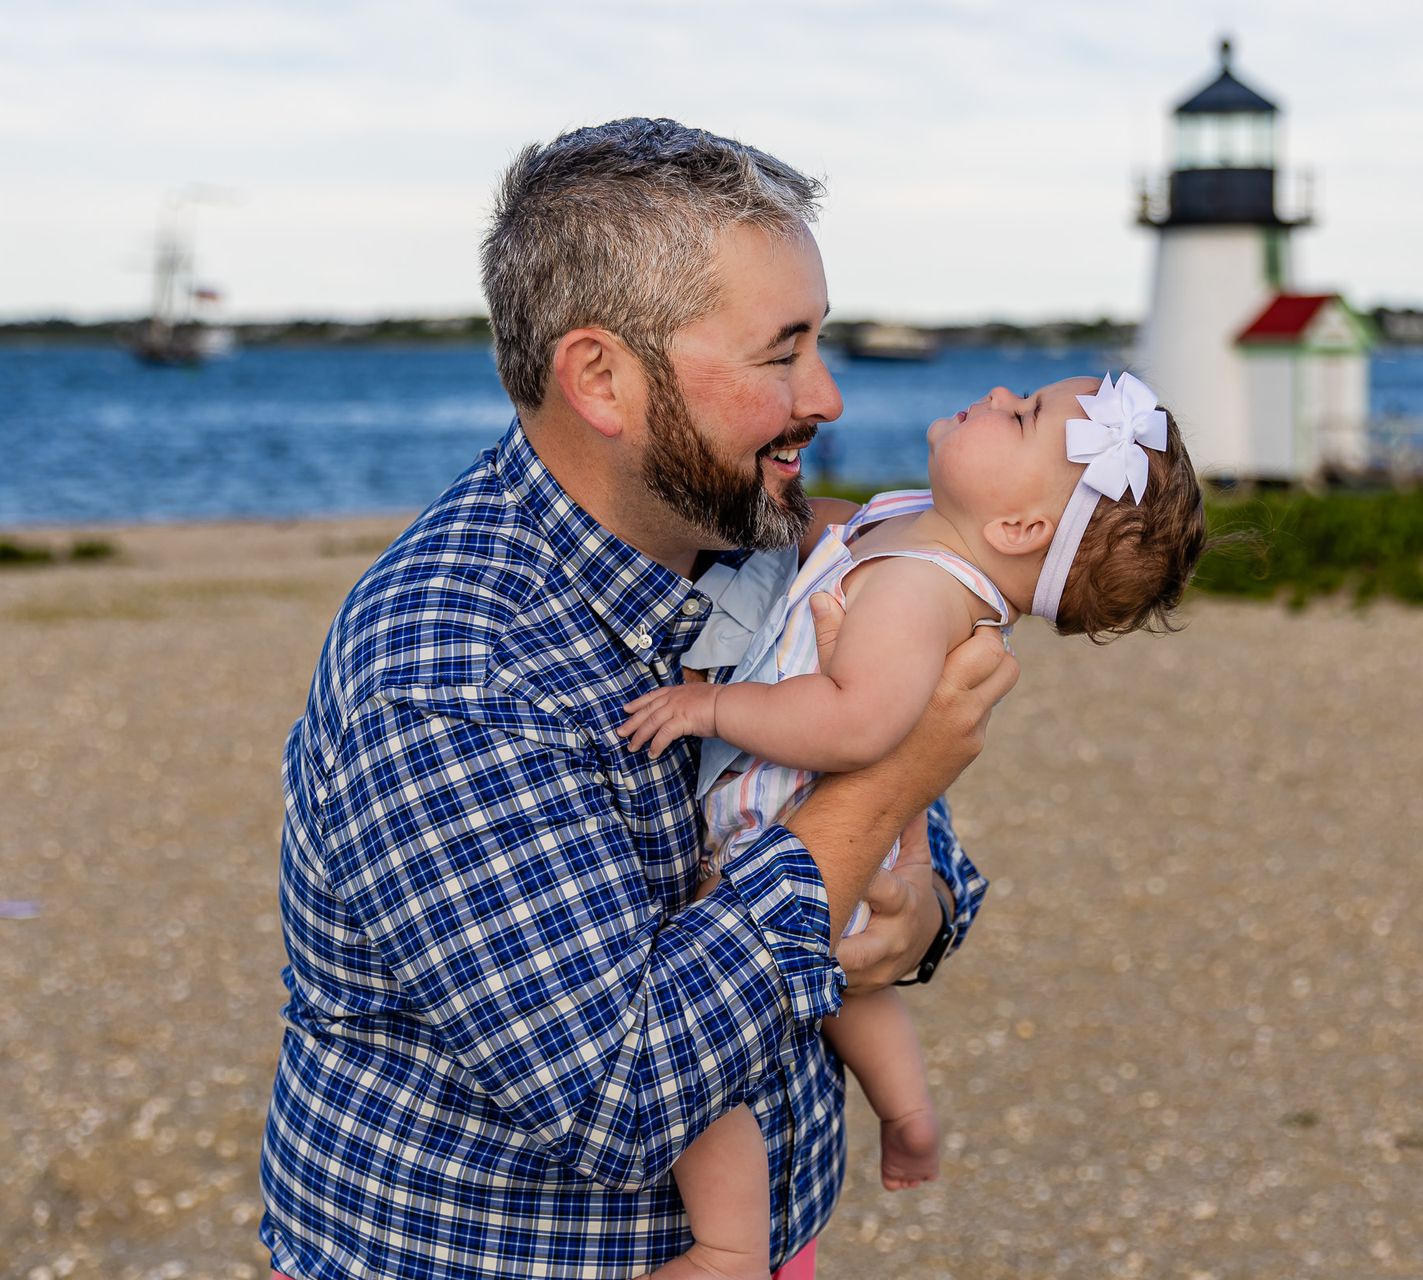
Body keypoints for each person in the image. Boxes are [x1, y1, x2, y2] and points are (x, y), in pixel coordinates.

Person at [257, 118, 1016, 1280]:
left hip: (774, 1235)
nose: (828, 395)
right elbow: (617, 1094)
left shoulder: (758, 545)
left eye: (823, 340)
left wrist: (917, 916)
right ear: (602, 378)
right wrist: (891, 781)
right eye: (782, 352)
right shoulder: (453, 662)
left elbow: (902, 864)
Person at [619, 372, 1210, 1280]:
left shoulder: (922, 591)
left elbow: (855, 722)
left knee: (708, 1060)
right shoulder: (909, 522)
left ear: (1018, 528)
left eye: (1021, 417)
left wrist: (714, 710)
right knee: (855, 988)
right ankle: (907, 1112)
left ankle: (729, 1245)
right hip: (862, 837)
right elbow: (825, 539)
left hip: (781, 811)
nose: (1003, 389)